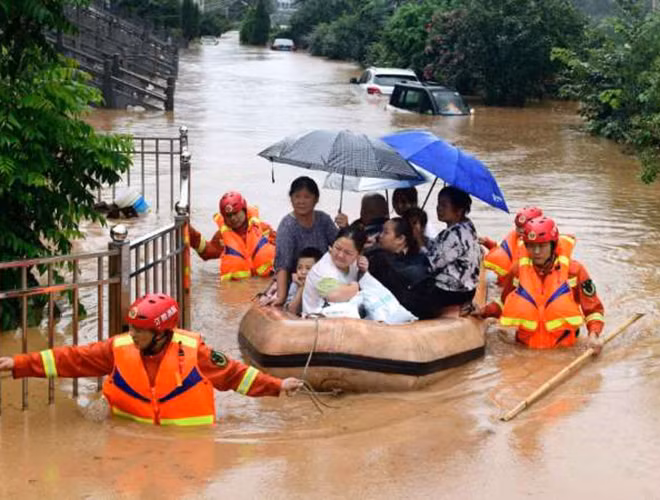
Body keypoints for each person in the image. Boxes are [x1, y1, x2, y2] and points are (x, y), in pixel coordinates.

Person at [0, 294, 303, 426]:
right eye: (131, 327)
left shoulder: (195, 351)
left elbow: (236, 376)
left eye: (140, 330)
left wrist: (278, 386)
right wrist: (18, 364)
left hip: (189, 446)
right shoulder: (118, 348)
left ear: (161, 333)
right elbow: (73, 359)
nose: (132, 334)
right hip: (128, 437)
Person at [473, 217, 605, 352]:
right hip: (524, 348)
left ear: (553, 245)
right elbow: (504, 302)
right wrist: (483, 311)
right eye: (531, 246)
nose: (536, 251)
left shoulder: (575, 271)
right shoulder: (517, 270)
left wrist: (593, 335)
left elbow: (593, 310)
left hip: (563, 349)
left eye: (542, 246)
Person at [267, 176, 338, 307]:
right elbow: (283, 265)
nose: (301, 201)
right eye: (297, 197)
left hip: (322, 278)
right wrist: (281, 297)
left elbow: (340, 247)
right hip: (297, 280)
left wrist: (345, 227)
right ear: (291, 199)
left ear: (316, 199)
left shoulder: (324, 220)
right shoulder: (287, 225)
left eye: (307, 197)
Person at [189, 191, 276, 281]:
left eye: (235, 213)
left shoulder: (263, 229)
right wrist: (190, 232)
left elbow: (281, 249)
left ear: (244, 210)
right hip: (241, 286)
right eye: (228, 216)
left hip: (267, 281)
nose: (233, 218)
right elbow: (206, 252)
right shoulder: (222, 236)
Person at [424, 186, 481, 314]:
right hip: (467, 289)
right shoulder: (467, 225)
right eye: (438, 204)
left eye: (444, 205)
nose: (438, 208)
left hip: (451, 293)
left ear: (459, 211)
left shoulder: (454, 234)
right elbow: (438, 246)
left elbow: (430, 265)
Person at [366, 218, 435, 319]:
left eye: (386, 232)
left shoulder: (381, 258)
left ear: (400, 239)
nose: (380, 236)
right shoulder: (378, 256)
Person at [302, 227, 369, 316]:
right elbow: (333, 295)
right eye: (337, 248)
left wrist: (362, 271)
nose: (340, 255)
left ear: (358, 254)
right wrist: (356, 287)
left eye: (348, 253)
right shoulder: (322, 268)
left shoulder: (355, 263)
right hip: (316, 320)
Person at [481, 206, 543, 285]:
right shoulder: (515, 238)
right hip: (505, 280)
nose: (520, 230)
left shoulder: (539, 247)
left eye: (523, 228)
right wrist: (488, 243)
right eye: (518, 227)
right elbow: (504, 251)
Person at [284, 246, 323, 316]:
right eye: (299, 268)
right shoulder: (296, 284)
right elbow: (291, 310)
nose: (303, 272)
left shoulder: (323, 284)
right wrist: (302, 288)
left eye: (308, 268)